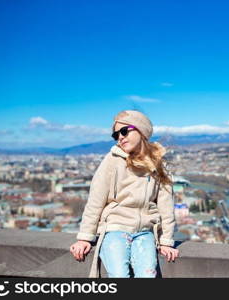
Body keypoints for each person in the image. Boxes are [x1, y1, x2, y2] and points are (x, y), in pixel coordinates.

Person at [70, 110, 179, 278]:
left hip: (145, 231)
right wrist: (85, 237)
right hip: (115, 228)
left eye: (124, 131)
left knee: (148, 275)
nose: (119, 137)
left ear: (141, 131)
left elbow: (166, 207)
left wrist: (166, 241)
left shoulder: (159, 165)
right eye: (115, 135)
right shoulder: (112, 161)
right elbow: (95, 201)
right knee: (119, 275)